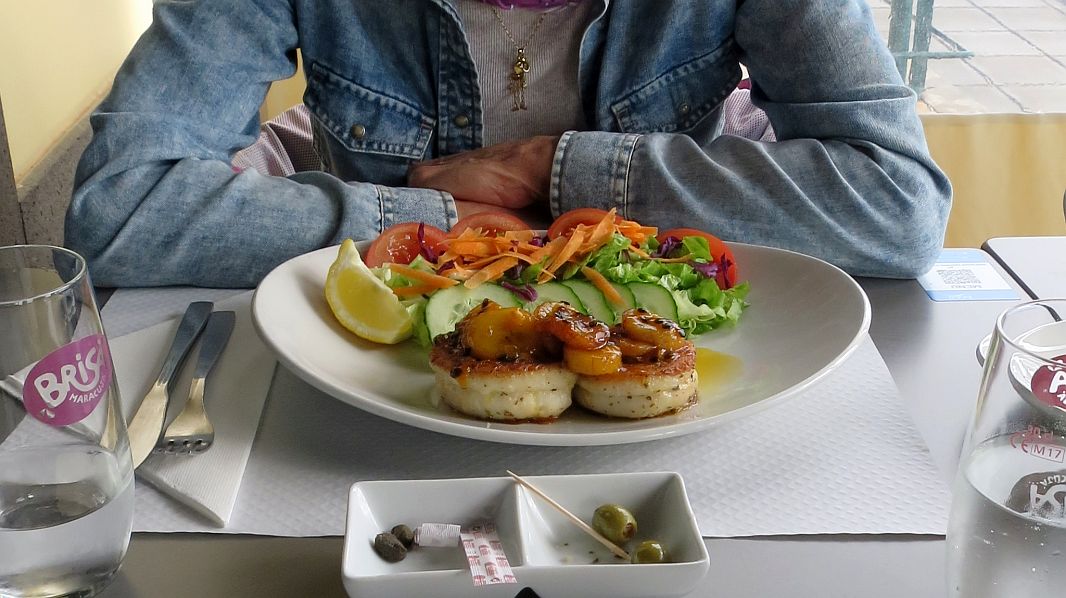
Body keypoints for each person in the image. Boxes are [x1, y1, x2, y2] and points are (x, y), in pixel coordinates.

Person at [66, 0, 951, 288]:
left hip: (675, 373)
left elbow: (899, 207)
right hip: (376, 388)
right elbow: (118, 210)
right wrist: (439, 224)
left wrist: (551, 169)